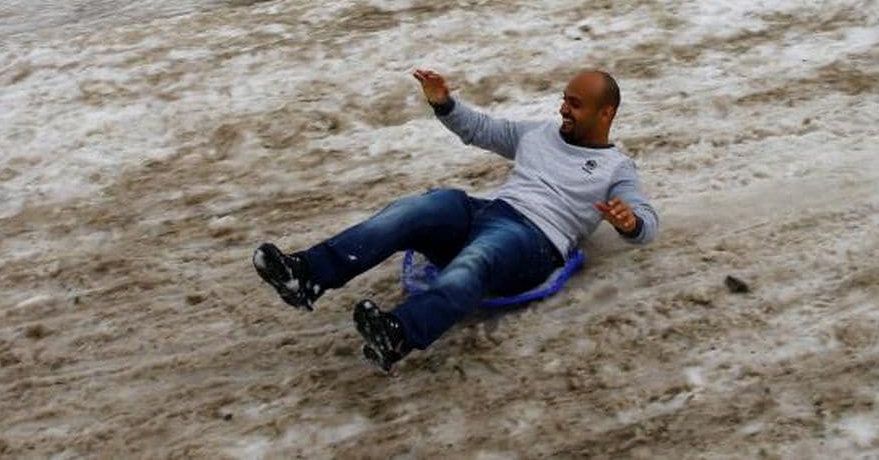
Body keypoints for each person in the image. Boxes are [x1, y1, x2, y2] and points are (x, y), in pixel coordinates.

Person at [253, 67, 659, 372]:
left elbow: (645, 221)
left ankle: (398, 333)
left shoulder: (615, 168)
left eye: (574, 104)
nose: (562, 109)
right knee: (420, 208)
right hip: (486, 210)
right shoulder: (539, 133)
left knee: (476, 259)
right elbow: (482, 128)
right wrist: (444, 104)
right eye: (564, 98)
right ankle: (306, 274)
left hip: (533, 238)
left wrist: (630, 223)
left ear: (605, 113)